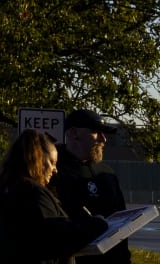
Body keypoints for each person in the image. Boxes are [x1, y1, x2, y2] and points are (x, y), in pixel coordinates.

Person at [0, 129, 109, 264]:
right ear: (37, 159)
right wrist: (97, 224)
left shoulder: (6, 189)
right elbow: (57, 237)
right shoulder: (32, 192)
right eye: (52, 162)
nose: (55, 170)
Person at [52, 109, 129, 264]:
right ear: (74, 133)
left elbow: (122, 224)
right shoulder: (53, 172)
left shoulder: (107, 174)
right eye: (96, 132)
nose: (103, 139)